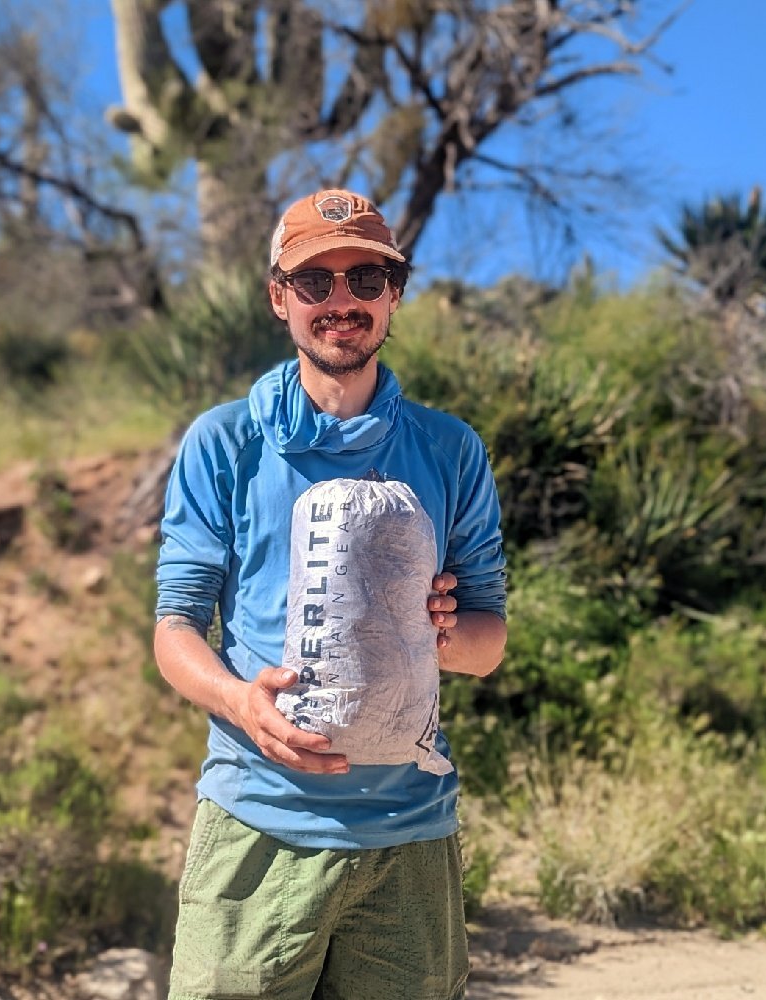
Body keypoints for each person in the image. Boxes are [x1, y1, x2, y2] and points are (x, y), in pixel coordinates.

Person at [154, 188, 508, 1000]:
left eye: (365, 281)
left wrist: (441, 634)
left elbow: (486, 649)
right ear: (280, 298)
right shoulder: (226, 441)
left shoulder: (450, 450)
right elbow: (175, 627)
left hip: (409, 841)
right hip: (257, 822)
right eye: (316, 282)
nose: (341, 302)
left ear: (394, 295)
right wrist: (241, 703)